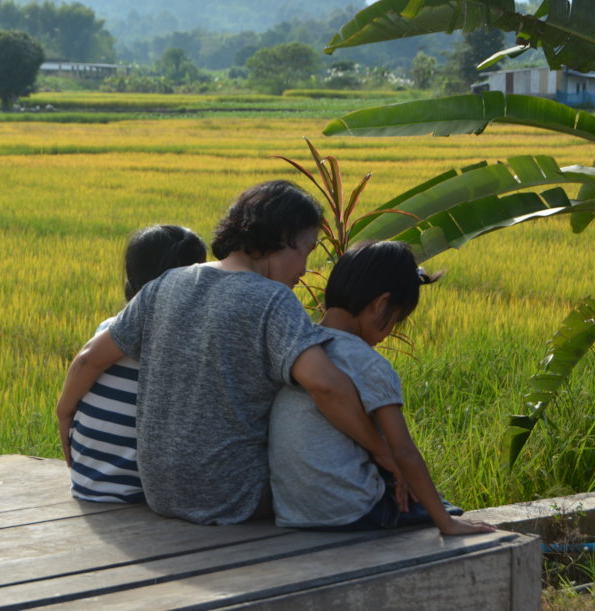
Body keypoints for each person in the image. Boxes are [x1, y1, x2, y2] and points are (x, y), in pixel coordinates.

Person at [58, 180, 398, 525]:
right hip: (235, 498)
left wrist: (63, 413)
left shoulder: (168, 282)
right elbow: (325, 386)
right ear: (283, 236)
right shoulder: (274, 300)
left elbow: (89, 358)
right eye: (306, 251)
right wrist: (382, 449)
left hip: (160, 493)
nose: (305, 268)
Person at [268, 241, 495, 535]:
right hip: (350, 512)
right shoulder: (367, 362)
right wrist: (446, 522)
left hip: (293, 511)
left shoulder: (302, 348)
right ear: (380, 303)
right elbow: (403, 452)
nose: (389, 334)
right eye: (396, 319)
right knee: (442, 505)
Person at [67, 224, 208, 503]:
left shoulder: (109, 330)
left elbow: (85, 363)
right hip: (139, 495)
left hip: (88, 481)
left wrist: (63, 412)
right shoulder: (184, 342)